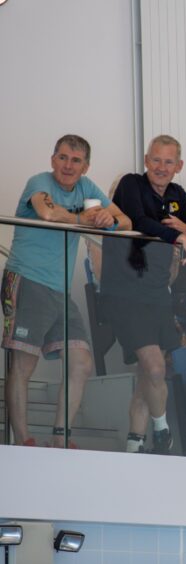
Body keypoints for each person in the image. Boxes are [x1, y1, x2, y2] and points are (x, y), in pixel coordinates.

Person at [3, 134, 131, 448]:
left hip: (59, 290)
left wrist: (106, 219)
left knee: (82, 360)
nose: (67, 165)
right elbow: (47, 213)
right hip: (28, 279)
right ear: (52, 159)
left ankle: (60, 439)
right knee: (24, 363)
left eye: (75, 160)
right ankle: (23, 442)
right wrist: (83, 218)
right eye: (62, 157)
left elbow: (125, 220)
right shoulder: (40, 181)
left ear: (85, 166)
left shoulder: (88, 188)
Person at [100, 134, 186, 454]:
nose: (161, 167)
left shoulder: (177, 194)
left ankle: (134, 444)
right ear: (146, 160)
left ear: (178, 166)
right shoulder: (131, 185)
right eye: (155, 160)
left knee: (148, 375)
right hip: (125, 294)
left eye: (168, 162)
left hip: (157, 296)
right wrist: (181, 239)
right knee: (153, 367)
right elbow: (140, 220)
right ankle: (163, 433)